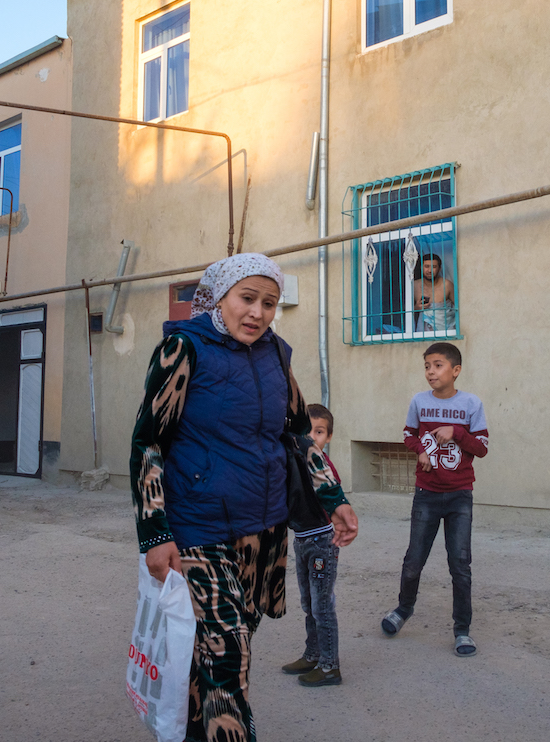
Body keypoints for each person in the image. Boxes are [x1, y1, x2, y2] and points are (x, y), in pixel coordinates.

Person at [129, 253, 359, 741]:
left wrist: (333, 497)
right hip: (198, 528)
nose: (257, 312)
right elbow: (148, 441)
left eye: (269, 303)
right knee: (229, 652)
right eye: (247, 298)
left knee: (220, 648)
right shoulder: (183, 349)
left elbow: (299, 433)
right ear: (220, 297)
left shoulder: (277, 354)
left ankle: (195, 731)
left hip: (263, 529)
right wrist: (154, 533)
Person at [381, 342, 488, 657]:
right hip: (426, 494)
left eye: (438, 365)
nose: (431, 371)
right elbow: (407, 435)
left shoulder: (471, 403)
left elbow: (481, 447)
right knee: (414, 560)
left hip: (459, 496)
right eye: (427, 365)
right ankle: (403, 610)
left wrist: (455, 431)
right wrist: (422, 452)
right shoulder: (418, 401)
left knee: (460, 565)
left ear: (455, 370)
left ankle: (462, 630)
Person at [280, 403, 348, 687]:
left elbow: (330, 494)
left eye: (319, 432)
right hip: (303, 539)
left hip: (322, 541)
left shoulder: (322, 465)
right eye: (307, 432)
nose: (312, 438)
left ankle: (330, 666)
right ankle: (313, 654)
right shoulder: (298, 459)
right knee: (309, 602)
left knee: (322, 605)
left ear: (328, 437)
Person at [414, 253, 455, 332]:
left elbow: (459, 307)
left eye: (434, 267)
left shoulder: (447, 285)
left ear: (439, 269)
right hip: (422, 333)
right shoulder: (414, 286)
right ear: (421, 268)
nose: (429, 270)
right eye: (426, 266)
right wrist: (416, 308)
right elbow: (405, 310)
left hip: (445, 331)